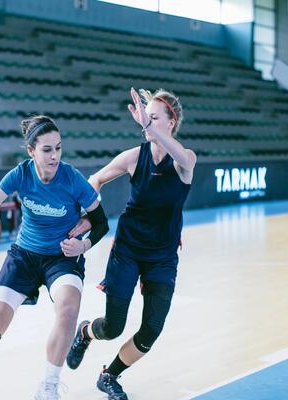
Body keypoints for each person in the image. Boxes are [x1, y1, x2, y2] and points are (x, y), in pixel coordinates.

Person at [0, 115, 109, 400]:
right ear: (31, 151)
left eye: (58, 148)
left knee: (68, 309)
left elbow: (101, 222)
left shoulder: (72, 178)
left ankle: (48, 387)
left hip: (61, 257)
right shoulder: (21, 174)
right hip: (24, 254)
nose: (54, 155)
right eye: (47, 149)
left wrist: (83, 247)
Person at [66, 88, 196, 399]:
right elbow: (94, 180)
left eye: (153, 118)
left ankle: (109, 375)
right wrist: (89, 215)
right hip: (127, 250)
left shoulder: (185, 160)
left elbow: (180, 156)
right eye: (144, 118)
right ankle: (85, 332)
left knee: (151, 331)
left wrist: (149, 127)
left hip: (163, 257)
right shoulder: (134, 157)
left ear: (171, 122)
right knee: (112, 328)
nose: (144, 124)